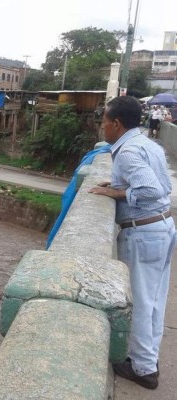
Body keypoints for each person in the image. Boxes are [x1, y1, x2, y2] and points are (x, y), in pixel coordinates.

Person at [89, 96, 176, 390]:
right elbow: (164, 187)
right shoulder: (149, 145)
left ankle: (142, 369)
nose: (103, 128)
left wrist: (118, 194)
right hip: (162, 227)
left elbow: (151, 189)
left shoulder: (126, 152)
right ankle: (147, 359)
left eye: (104, 122)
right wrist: (120, 186)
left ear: (116, 124)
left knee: (140, 301)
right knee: (155, 301)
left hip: (144, 233)